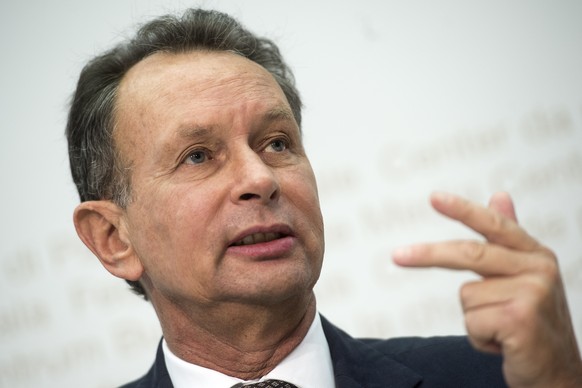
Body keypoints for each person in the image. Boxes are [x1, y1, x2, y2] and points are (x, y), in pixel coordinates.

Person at [66, 8, 582, 388]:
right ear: (114, 239)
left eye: (276, 143)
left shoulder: (499, 378)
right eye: (198, 156)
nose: (259, 177)